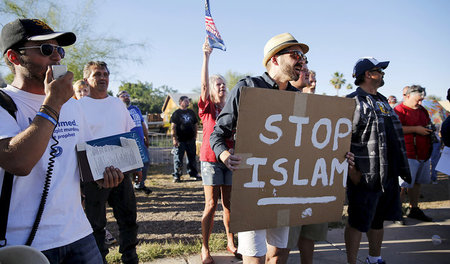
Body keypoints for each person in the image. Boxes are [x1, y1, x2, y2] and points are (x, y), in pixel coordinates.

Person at [0, 18, 123, 263]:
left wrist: (104, 176)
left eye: (59, 50)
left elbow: (83, 159)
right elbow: (18, 162)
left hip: (78, 234)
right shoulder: (5, 103)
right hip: (24, 244)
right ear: (14, 57)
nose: (56, 58)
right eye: (46, 50)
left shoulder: (71, 105)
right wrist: (53, 102)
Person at [210, 32, 308, 264]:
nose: (302, 62)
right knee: (254, 255)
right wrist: (225, 155)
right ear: (274, 59)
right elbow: (218, 134)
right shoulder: (248, 87)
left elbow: (307, 142)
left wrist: (334, 154)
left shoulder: (298, 97)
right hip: (253, 188)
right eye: (296, 55)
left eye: (304, 58)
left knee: (278, 252)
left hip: (285, 187)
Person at [344, 57, 411, 264]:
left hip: (387, 173)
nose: (382, 74)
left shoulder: (383, 101)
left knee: (378, 219)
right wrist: (353, 172)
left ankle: (374, 259)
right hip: (365, 174)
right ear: (367, 74)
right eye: (379, 70)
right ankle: (352, 261)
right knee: (357, 221)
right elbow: (342, 140)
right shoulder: (352, 101)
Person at [78, 61, 139, 264]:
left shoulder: (117, 104)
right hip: (95, 177)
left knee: (128, 219)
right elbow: (77, 144)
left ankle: (130, 258)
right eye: (97, 74)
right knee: (95, 224)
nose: (102, 78)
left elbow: (130, 134)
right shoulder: (78, 107)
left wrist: (137, 164)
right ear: (87, 79)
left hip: (122, 173)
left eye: (105, 74)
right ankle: (99, 260)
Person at [199, 38, 239, 264]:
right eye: (218, 84)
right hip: (210, 160)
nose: (222, 86)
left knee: (229, 204)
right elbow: (204, 86)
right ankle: (205, 248)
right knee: (211, 205)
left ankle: (231, 241)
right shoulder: (208, 108)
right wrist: (206, 57)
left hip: (230, 160)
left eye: (224, 83)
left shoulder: (230, 109)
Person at [288, 62, 328, 264]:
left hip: (311, 173)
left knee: (309, 227)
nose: (309, 79)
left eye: (310, 76)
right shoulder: (283, 99)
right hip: (288, 175)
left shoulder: (320, 106)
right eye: (302, 71)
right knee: (285, 234)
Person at [394, 85, 433, 222]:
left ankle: (414, 209)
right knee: (402, 185)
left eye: (422, 99)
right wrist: (415, 129)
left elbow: (427, 123)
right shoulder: (399, 110)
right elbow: (395, 128)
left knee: (417, 183)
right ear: (408, 96)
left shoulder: (422, 110)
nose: (420, 102)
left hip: (422, 154)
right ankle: (397, 212)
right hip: (407, 153)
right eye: (418, 100)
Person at [117, 90, 152, 195]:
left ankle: (139, 185)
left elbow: (142, 124)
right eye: (123, 96)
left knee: (145, 163)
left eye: (127, 95)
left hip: (140, 142)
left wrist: (147, 138)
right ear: (118, 98)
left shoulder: (135, 109)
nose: (126, 97)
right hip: (126, 143)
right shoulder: (117, 110)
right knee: (127, 167)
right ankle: (125, 190)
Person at [170, 95, 200, 183]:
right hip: (180, 140)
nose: (188, 102)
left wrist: (195, 136)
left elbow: (195, 124)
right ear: (181, 102)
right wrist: (174, 139)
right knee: (178, 158)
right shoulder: (176, 113)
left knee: (192, 157)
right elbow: (173, 127)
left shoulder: (191, 112)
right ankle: (177, 175)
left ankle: (193, 174)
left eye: (188, 101)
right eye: (185, 101)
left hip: (190, 139)